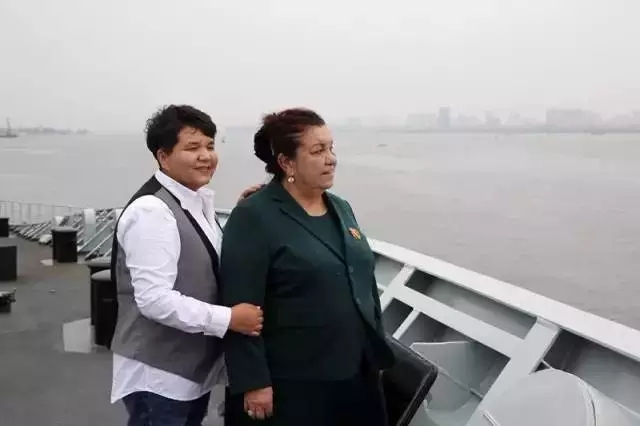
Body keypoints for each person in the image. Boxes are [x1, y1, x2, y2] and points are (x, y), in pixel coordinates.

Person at [220, 108, 395, 425]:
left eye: (331, 148)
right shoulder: (254, 216)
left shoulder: (341, 207)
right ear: (286, 162)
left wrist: (376, 348)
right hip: (294, 383)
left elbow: (363, 282)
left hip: (358, 374)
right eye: (318, 151)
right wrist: (253, 382)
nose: (331, 159)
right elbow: (239, 304)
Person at [109, 104, 265, 426]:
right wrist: (230, 319)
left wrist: (243, 214)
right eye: (192, 148)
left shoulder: (195, 201)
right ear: (163, 156)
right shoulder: (152, 211)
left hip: (188, 372)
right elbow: (154, 299)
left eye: (210, 146)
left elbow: (205, 258)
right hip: (159, 376)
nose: (206, 156)